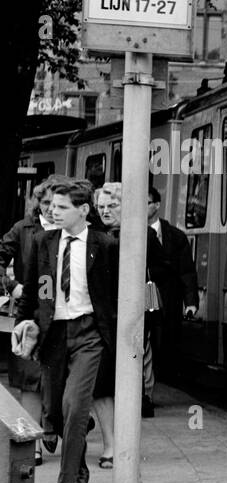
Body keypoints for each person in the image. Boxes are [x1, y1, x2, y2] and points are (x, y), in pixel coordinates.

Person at [12, 180, 119, 483]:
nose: (53, 212)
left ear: (83, 210)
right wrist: (23, 326)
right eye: (52, 207)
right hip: (54, 335)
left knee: (75, 405)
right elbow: (33, 291)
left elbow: (118, 296)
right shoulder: (43, 242)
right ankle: (79, 453)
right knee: (54, 413)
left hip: (89, 335)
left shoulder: (105, 245)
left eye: (62, 207)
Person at [0, 179, 62, 464]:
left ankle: (53, 425)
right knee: (28, 378)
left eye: (56, 203)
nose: (50, 209)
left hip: (63, 313)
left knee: (58, 376)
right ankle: (32, 445)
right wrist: (12, 286)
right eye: (46, 203)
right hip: (29, 311)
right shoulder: (22, 229)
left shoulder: (73, 230)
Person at [145, 185, 199, 405]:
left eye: (146, 202)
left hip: (168, 296)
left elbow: (187, 271)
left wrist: (191, 302)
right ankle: (146, 392)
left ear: (157, 205)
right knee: (149, 338)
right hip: (146, 292)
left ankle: (152, 388)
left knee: (163, 340)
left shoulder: (175, 236)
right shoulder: (131, 233)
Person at [89, 185, 122, 466]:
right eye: (101, 207)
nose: (106, 211)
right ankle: (111, 443)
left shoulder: (143, 237)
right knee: (101, 385)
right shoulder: (94, 239)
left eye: (113, 205)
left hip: (127, 322)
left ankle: (118, 442)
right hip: (101, 322)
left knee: (117, 385)